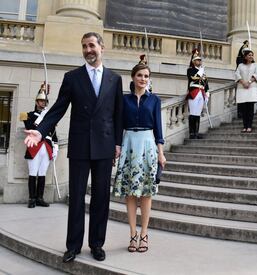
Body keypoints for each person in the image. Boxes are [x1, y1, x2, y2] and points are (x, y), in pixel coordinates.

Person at [24, 32, 123, 263]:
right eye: (84, 46)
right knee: (77, 197)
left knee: (101, 198)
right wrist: (40, 130)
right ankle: (73, 246)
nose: (88, 50)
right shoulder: (72, 77)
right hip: (80, 146)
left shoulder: (114, 79)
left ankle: (97, 244)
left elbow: (118, 115)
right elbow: (58, 108)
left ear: (102, 47)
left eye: (91, 45)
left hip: (105, 147)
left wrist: (118, 142)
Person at [114, 63, 166, 253]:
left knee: (146, 193)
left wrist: (161, 152)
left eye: (146, 76)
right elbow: (118, 124)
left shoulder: (155, 100)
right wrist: (117, 146)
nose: (143, 79)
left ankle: (144, 234)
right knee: (129, 193)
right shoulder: (124, 100)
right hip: (128, 144)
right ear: (133, 77)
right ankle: (132, 234)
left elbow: (159, 129)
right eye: (140, 75)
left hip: (147, 145)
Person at [20, 83, 58, 208]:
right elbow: (31, 128)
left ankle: (39, 198)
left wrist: (55, 147)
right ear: (36, 102)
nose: (43, 103)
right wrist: (42, 116)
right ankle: (31, 199)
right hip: (35, 146)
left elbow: (53, 134)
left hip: (46, 147)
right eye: (41, 101)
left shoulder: (49, 117)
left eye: (45, 101)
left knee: (42, 173)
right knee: (33, 173)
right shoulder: (28, 115)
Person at [235, 48, 257, 133]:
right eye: (249, 55)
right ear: (245, 56)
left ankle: (249, 126)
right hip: (242, 88)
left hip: (251, 88)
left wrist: (248, 82)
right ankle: (244, 126)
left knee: (250, 108)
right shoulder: (240, 65)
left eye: (252, 55)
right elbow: (237, 74)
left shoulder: (255, 65)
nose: (251, 56)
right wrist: (243, 82)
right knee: (244, 109)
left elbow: (256, 74)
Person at [186, 48, 209, 139]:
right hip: (194, 92)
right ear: (193, 61)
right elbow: (192, 78)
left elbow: (206, 83)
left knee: (198, 113)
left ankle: (196, 132)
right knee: (193, 113)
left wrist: (207, 92)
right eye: (197, 60)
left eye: (200, 60)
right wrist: (201, 72)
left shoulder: (203, 71)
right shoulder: (190, 70)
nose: (199, 61)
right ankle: (191, 133)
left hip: (201, 92)